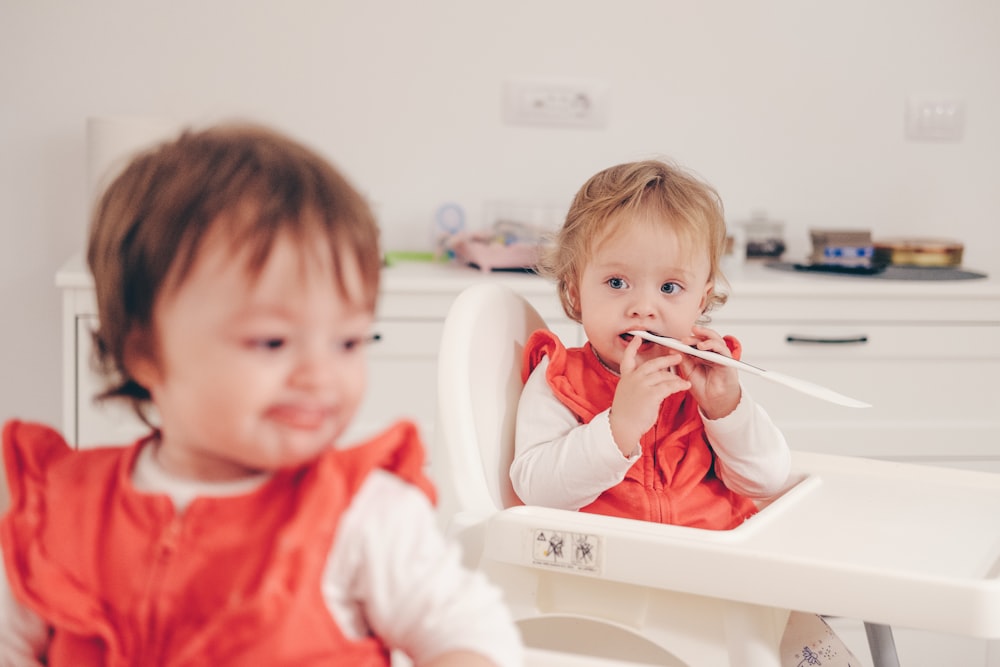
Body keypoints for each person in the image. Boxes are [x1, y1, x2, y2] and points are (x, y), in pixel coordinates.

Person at [0, 124, 522, 666]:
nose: (320, 375)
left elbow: (471, 637)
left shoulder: (363, 515)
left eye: (348, 341)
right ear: (144, 353)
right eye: (272, 341)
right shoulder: (60, 510)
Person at [510, 159, 858, 665]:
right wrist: (618, 426)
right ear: (573, 291)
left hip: (720, 590)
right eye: (616, 283)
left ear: (703, 298)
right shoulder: (560, 379)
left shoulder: (706, 378)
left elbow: (765, 478)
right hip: (608, 603)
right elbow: (535, 489)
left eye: (670, 288)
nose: (644, 307)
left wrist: (725, 407)